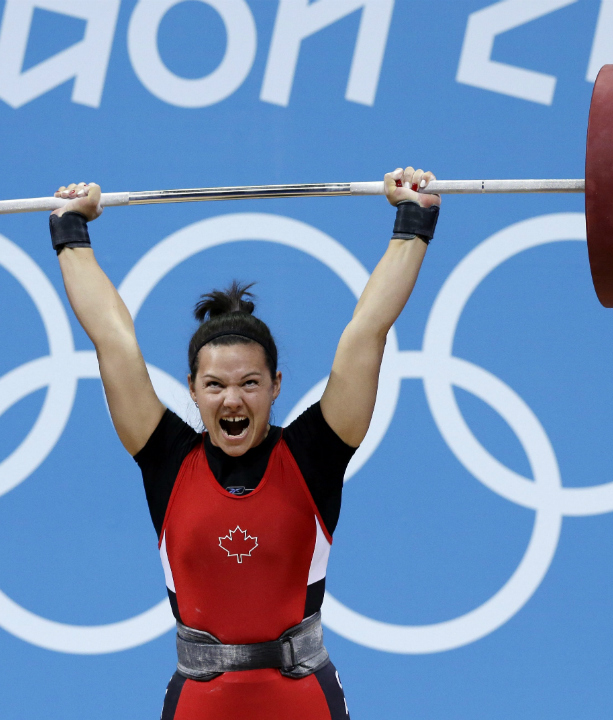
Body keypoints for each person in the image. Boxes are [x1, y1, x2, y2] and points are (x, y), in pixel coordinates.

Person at [49, 167, 441, 720]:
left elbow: (367, 330)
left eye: (249, 383)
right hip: (198, 705)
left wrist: (413, 220)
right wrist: (70, 231)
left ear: (276, 386)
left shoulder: (314, 454)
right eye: (215, 385)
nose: (232, 400)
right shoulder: (166, 458)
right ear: (191, 389)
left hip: (302, 702)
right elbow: (112, 339)